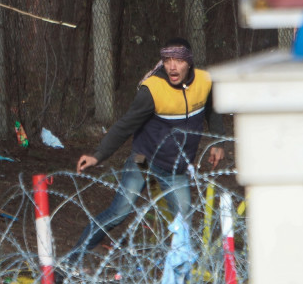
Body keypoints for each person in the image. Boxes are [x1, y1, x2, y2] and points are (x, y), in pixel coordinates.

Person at [66, 37, 225, 265]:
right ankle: (72, 260)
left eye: (178, 61)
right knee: (120, 211)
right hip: (144, 158)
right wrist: (97, 155)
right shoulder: (152, 89)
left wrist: (218, 143)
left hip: (176, 167)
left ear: (188, 63)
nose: (172, 66)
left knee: (183, 221)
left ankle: (178, 277)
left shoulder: (204, 82)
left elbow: (213, 110)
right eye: (168, 60)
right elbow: (125, 125)